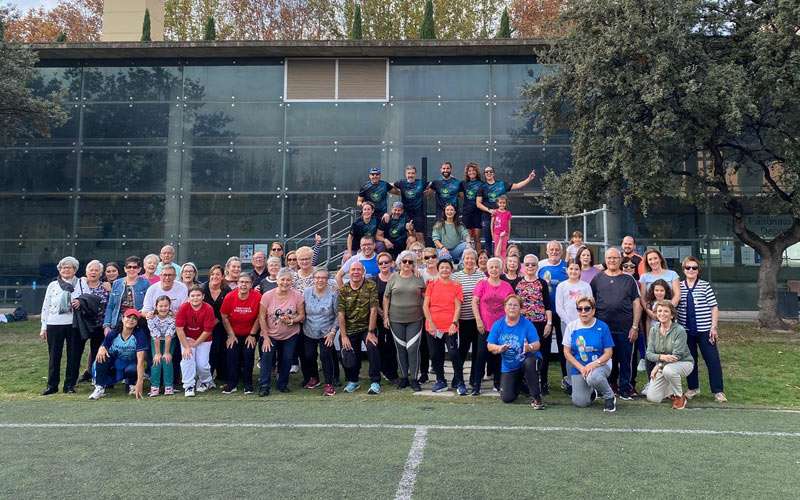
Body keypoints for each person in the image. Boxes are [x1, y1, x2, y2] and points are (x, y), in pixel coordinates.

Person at [590, 247, 642, 400]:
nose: (612, 261)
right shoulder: (598, 279)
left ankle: (625, 389)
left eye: (615, 258)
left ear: (620, 260)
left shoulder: (628, 279)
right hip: (603, 329)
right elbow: (591, 302)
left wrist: (635, 326)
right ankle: (608, 387)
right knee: (605, 360)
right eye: (609, 258)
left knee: (625, 360)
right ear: (605, 260)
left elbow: (637, 303)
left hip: (625, 328)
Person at [677, 256, 726, 402]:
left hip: (705, 330)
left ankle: (718, 390)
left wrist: (714, 327)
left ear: (698, 270)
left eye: (694, 268)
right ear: (683, 270)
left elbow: (714, 307)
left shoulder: (705, 286)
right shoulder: (678, 286)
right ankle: (693, 388)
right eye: (688, 268)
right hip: (686, 331)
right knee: (690, 360)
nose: (691, 270)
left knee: (712, 360)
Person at [487, 295, 544, 408]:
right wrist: (498, 348)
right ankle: (521, 383)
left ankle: (536, 398)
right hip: (509, 366)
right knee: (507, 398)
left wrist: (529, 348)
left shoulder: (527, 324)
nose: (512, 308)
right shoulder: (498, 324)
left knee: (529, 362)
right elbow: (489, 345)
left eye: (515, 305)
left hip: (526, 361)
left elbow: (537, 344)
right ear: (505, 308)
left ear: (521, 309)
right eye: (510, 305)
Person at [562, 296, 617, 412]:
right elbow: (566, 352)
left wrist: (593, 365)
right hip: (580, 368)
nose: (583, 312)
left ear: (593, 310)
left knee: (594, 377)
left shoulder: (602, 327)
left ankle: (609, 396)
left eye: (587, 309)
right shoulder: (571, 326)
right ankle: (592, 391)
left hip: (600, 365)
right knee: (580, 402)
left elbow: (608, 353)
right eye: (579, 309)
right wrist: (581, 368)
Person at [40, 256, 83, 395]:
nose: (65, 270)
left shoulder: (81, 283)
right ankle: (52, 386)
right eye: (63, 267)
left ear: (74, 269)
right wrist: (43, 326)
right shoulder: (52, 285)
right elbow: (46, 306)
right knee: (54, 356)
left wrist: (80, 302)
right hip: (54, 323)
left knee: (74, 356)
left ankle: (69, 386)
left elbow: (88, 298)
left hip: (73, 324)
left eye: (69, 267)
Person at [472, 257, 515, 395]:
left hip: (501, 327)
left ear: (501, 269)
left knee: (499, 356)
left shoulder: (507, 286)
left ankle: (498, 383)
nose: (494, 270)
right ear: (487, 269)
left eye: (497, 267)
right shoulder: (482, 284)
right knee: (481, 355)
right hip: (484, 326)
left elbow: (512, 305)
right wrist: (478, 320)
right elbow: (475, 302)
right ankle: (476, 385)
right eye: (491, 267)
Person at [337, 261, 381, 394]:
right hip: (349, 329)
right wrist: (343, 336)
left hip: (367, 327)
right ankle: (353, 381)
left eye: (358, 270)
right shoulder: (343, 290)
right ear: (349, 273)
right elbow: (341, 314)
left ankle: (375, 382)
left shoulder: (370, 285)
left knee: (372, 347)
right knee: (349, 352)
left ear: (363, 272)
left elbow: (374, 310)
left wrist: (371, 331)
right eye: (353, 270)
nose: (356, 272)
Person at [385, 250, 426, 391]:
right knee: (400, 348)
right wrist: (385, 316)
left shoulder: (419, 277)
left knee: (412, 348)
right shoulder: (393, 277)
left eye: (410, 262)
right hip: (396, 319)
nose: (407, 264)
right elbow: (386, 297)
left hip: (415, 318)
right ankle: (403, 378)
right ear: (399, 263)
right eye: (404, 261)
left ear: (414, 264)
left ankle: (414, 378)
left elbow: (426, 296)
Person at [258, 269, 304, 396]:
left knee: (287, 359)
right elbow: (261, 317)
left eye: (288, 280)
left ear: (292, 281)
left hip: (290, 334)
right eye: (282, 279)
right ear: (277, 280)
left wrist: (292, 320)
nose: (285, 282)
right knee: (266, 358)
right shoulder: (267, 295)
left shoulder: (297, 295)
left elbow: (302, 315)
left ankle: (282, 384)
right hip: (270, 334)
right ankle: (264, 385)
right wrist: (266, 337)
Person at [423, 259, 465, 394]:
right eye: (442, 267)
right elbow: (425, 305)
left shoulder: (456, 286)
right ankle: (440, 381)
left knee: (453, 354)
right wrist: (430, 322)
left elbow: (458, 307)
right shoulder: (431, 284)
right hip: (433, 326)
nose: (445, 270)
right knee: (435, 354)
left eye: (447, 267)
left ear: (451, 270)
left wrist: (454, 323)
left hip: (450, 326)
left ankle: (460, 382)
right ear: (438, 269)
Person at [88, 309, 148, 400]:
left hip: (131, 363)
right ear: (123, 318)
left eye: (134, 319)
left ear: (137, 322)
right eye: (128, 317)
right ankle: (99, 388)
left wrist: (140, 382)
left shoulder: (139, 335)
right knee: (101, 357)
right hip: (115, 362)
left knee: (132, 369)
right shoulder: (114, 333)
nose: (131, 320)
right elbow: (103, 346)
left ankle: (132, 384)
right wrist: (101, 348)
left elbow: (141, 361)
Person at [476, 166, 536, 255]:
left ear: (494, 173)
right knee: (488, 240)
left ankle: (503, 261)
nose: (489, 173)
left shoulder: (501, 184)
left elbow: (517, 185)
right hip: (487, 217)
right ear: (484, 174)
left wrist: (529, 179)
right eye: (486, 172)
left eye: (491, 171)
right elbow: (478, 203)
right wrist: (489, 210)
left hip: (502, 218)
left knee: (503, 240)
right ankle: (489, 261)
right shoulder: (482, 187)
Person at [515, 254, 554, 393]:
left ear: (537, 266)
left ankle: (543, 382)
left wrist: (549, 323)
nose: (530, 267)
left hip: (541, 323)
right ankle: (525, 383)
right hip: (524, 325)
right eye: (527, 264)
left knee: (543, 353)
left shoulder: (542, 283)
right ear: (523, 266)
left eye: (533, 264)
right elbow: (515, 305)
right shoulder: (518, 283)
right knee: (525, 353)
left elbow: (547, 304)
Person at [645, 300, 694, 409]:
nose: (662, 314)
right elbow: (649, 354)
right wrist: (661, 358)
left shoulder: (680, 331)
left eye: (666, 311)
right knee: (653, 398)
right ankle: (670, 391)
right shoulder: (653, 330)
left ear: (672, 315)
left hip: (683, 363)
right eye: (659, 311)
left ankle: (680, 396)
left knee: (669, 371)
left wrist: (658, 366)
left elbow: (677, 356)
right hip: (664, 364)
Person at [220, 273, 262, 395]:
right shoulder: (230, 296)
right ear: (237, 284)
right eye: (241, 282)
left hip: (250, 333)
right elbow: (224, 316)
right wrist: (231, 335)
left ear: (251, 284)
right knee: (232, 355)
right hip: (234, 333)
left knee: (248, 354)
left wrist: (253, 335)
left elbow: (259, 317)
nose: (244, 284)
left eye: (247, 282)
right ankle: (232, 384)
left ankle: (248, 384)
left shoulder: (257, 296)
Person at [538, 240, 569, 391]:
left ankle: (567, 379)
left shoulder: (567, 266)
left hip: (563, 314)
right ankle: (543, 381)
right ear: (547, 251)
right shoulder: (541, 267)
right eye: (552, 249)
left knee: (565, 347)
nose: (554, 252)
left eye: (557, 249)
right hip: (546, 313)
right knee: (545, 348)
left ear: (561, 252)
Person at [302, 269, 339, 396]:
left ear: (327, 280)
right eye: (317, 277)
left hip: (326, 332)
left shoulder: (333, 294)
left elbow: (338, 315)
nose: (320, 280)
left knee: (325, 356)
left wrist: (333, 332)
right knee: (309, 355)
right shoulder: (306, 293)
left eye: (323, 278)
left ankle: (329, 383)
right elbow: (301, 312)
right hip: (309, 330)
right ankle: (314, 378)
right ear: (313, 279)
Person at [175, 286, 217, 397]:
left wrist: (196, 343)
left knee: (202, 365)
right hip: (187, 338)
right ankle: (188, 385)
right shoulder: (184, 307)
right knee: (187, 359)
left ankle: (206, 381)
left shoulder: (208, 308)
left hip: (204, 339)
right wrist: (187, 347)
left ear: (203, 296)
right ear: (188, 297)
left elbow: (208, 330)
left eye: (198, 295)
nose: (195, 298)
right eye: (192, 295)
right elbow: (179, 329)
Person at [453, 248, 484, 392]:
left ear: (476, 261)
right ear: (463, 260)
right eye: (467, 258)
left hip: (478, 320)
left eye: (472, 258)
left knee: (478, 351)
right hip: (463, 320)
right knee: (463, 350)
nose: (469, 261)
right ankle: (457, 377)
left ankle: (474, 378)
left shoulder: (481, 276)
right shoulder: (456, 277)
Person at [75, 260, 110, 385]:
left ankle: (96, 378)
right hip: (82, 324)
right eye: (91, 270)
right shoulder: (80, 284)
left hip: (99, 324)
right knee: (76, 351)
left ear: (101, 273)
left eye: (96, 270)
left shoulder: (105, 287)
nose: (93, 272)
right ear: (86, 271)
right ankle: (73, 380)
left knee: (97, 352)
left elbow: (110, 305)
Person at [104, 256, 150, 334]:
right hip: (118, 322)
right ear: (125, 269)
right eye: (129, 267)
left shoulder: (145, 283)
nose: (132, 269)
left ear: (139, 269)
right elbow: (110, 306)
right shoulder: (117, 283)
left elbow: (149, 305)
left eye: (135, 267)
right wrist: (106, 325)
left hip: (138, 322)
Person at [203, 265, 232, 386]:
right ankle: (207, 376)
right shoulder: (202, 288)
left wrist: (218, 320)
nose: (215, 276)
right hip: (205, 326)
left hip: (222, 325)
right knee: (209, 350)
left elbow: (229, 309)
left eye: (218, 274)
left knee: (222, 349)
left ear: (222, 277)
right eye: (213, 274)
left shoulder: (227, 290)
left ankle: (222, 375)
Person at [374, 252, 399, 385]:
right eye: (381, 263)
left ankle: (393, 373)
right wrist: (384, 315)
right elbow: (373, 301)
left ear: (391, 263)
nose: (383, 265)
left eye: (386, 262)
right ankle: (383, 370)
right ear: (377, 265)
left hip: (395, 317)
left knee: (392, 345)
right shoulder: (373, 280)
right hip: (378, 318)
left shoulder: (396, 278)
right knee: (381, 345)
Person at [147, 296, 176, 397]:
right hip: (156, 341)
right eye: (160, 306)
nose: (163, 308)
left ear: (169, 306)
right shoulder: (151, 318)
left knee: (167, 360)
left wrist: (166, 352)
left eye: (166, 306)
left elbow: (168, 336)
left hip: (169, 341)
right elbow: (156, 336)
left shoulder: (173, 318)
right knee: (157, 360)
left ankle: (168, 386)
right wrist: (158, 353)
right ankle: (155, 386)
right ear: (156, 306)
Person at [393, 164, 429, 244]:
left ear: (415, 174)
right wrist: (399, 193)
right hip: (406, 214)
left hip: (419, 214)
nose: (410, 175)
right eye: (409, 173)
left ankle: (422, 255)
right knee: (410, 238)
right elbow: (391, 186)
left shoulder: (421, 182)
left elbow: (431, 185)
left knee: (420, 237)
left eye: (412, 173)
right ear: (406, 174)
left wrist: (427, 193)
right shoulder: (401, 183)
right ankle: (409, 255)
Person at [556, 260, 593, 331]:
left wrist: (584, 319)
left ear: (580, 271)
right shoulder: (561, 286)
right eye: (571, 269)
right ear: (566, 270)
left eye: (576, 269)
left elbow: (590, 305)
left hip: (584, 322)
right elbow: (559, 307)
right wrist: (569, 323)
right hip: (566, 323)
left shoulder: (586, 286)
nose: (573, 271)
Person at [461, 162, 486, 254]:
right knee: (467, 238)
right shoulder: (463, 183)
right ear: (467, 173)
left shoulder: (482, 184)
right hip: (467, 213)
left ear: (477, 172)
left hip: (478, 213)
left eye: (473, 170)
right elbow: (461, 195)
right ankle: (467, 257)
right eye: (469, 171)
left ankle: (479, 258)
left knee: (477, 238)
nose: (471, 172)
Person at [491, 195, 512, 259]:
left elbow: (509, 225)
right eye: (500, 203)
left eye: (503, 203)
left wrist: (508, 234)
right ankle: (497, 261)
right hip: (496, 234)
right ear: (498, 203)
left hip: (504, 234)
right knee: (497, 248)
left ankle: (503, 262)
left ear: (506, 203)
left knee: (503, 249)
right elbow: (492, 224)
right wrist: (492, 234)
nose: (502, 204)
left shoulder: (508, 213)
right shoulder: (495, 212)